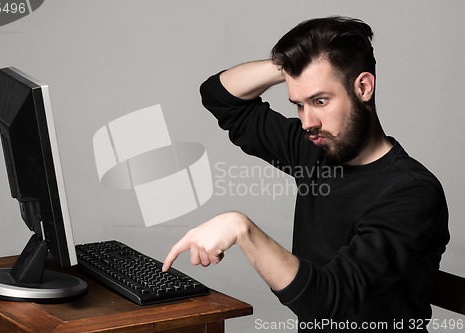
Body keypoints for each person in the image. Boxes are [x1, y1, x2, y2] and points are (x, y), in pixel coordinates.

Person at [162, 16, 449, 332]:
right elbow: (220, 96)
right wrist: (288, 65)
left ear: (364, 87)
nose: (307, 120)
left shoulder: (412, 193)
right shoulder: (315, 150)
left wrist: (242, 229)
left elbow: (327, 303)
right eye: (298, 104)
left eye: (320, 100)